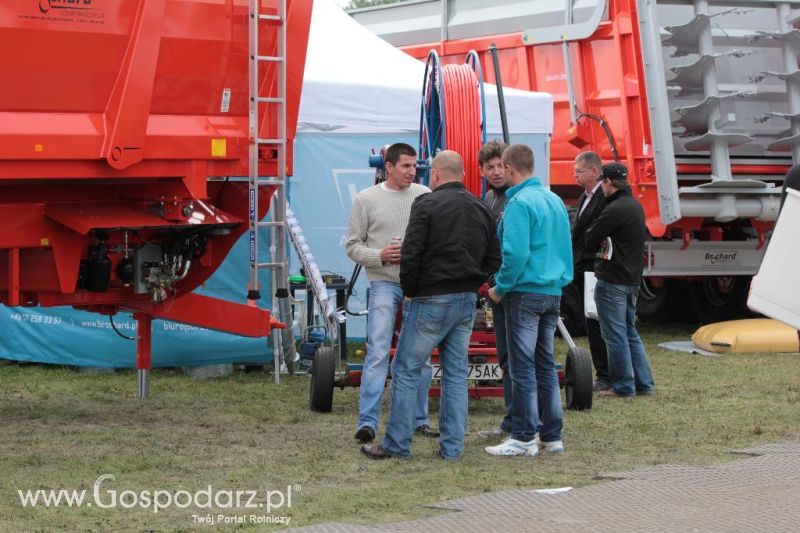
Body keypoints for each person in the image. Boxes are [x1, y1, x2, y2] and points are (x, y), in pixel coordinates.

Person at [361, 151, 501, 460]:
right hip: (466, 300)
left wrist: (411, 291)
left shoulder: (426, 203)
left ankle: (397, 445)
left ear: (435, 174)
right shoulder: (482, 207)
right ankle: (452, 448)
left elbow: (411, 254)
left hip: (430, 298)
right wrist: (473, 281)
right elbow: (494, 258)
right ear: (464, 174)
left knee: (406, 369)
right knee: (455, 374)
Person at [345, 142, 437, 443]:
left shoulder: (425, 196)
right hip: (383, 282)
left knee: (420, 356)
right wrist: (381, 255)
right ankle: (368, 422)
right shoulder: (366, 199)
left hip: (418, 285)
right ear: (389, 167)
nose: (412, 171)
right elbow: (352, 245)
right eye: (406, 166)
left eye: (415, 166)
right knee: (377, 352)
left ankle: (419, 419)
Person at [485, 144, 573, 457]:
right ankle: (551, 436)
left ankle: (523, 437)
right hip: (552, 290)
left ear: (509, 168)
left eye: (501, 168)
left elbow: (516, 253)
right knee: (545, 365)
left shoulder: (519, 202)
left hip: (523, 291)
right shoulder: (554, 199)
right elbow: (565, 244)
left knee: (521, 367)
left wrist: (501, 286)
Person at [584, 162, 655, 398]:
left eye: (602, 183)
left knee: (614, 335)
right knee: (630, 332)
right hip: (632, 279)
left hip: (613, 279)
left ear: (607, 182)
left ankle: (624, 386)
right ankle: (644, 384)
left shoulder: (614, 209)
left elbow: (590, 236)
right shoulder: (634, 205)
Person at [474, 140, 515, 438]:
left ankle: (521, 420)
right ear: (482, 171)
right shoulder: (488, 198)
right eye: (491, 167)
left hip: (512, 284)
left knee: (517, 355)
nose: (497, 172)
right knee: (505, 353)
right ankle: (513, 417)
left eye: (501, 165)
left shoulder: (517, 198)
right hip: (495, 281)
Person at [571, 151, 611, 392]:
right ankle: (604, 372)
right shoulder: (583, 197)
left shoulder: (602, 199)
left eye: (579, 171)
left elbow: (596, 234)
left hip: (593, 268)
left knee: (597, 323)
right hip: (582, 267)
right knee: (590, 320)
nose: (575, 175)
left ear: (594, 171)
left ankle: (606, 374)